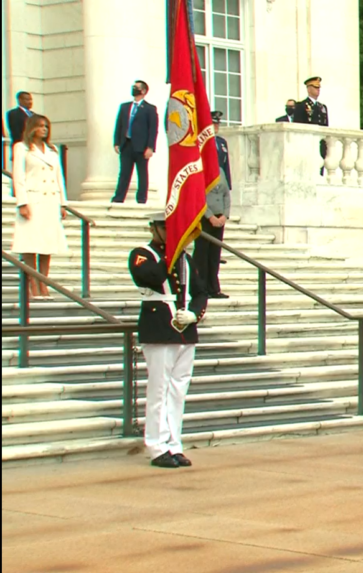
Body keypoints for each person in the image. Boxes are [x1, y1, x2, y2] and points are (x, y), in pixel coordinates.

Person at [129, 212, 208, 468]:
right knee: (159, 389)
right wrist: (172, 252)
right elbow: (152, 277)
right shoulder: (143, 254)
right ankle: (156, 445)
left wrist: (194, 314)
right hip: (159, 327)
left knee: (178, 390)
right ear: (155, 229)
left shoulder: (186, 259)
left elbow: (200, 291)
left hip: (184, 329)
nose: (173, 232)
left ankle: (174, 443)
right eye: (167, 228)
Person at [11, 114, 68, 300]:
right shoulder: (22, 148)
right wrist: (22, 202)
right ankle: (33, 284)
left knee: (47, 245)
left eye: (46, 127)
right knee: (30, 244)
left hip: (50, 201)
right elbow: (18, 176)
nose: (44, 129)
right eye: (41, 126)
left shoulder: (52, 151)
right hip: (33, 200)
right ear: (32, 127)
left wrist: (62, 203)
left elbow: (59, 178)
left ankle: (44, 284)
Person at [194, 111, 232, 299]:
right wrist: (209, 216)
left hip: (219, 215)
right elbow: (198, 195)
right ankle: (201, 287)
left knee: (215, 254)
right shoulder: (200, 171)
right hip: (206, 216)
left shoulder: (220, 171)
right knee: (202, 253)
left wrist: (225, 215)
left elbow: (226, 193)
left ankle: (213, 287)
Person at [112, 80, 159, 204]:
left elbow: (153, 129)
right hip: (126, 144)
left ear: (143, 91)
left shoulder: (149, 109)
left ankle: (142, 198)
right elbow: (119, 125)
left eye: (136, 87)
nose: (134, 89)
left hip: (142, 147)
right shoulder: (125, 107)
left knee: (142, 174)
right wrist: (116, 142)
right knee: (124, 173)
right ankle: (118, 197)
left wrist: (150, 147)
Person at [292, 77, 329, 173]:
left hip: (319, 145)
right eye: (315, 87)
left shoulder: (322, 107)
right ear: (309, 89)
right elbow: (297, 126)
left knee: (320, 173)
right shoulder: (301, 106)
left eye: (319, 87)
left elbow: (325, 126)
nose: (318, 90)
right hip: (307, 145)